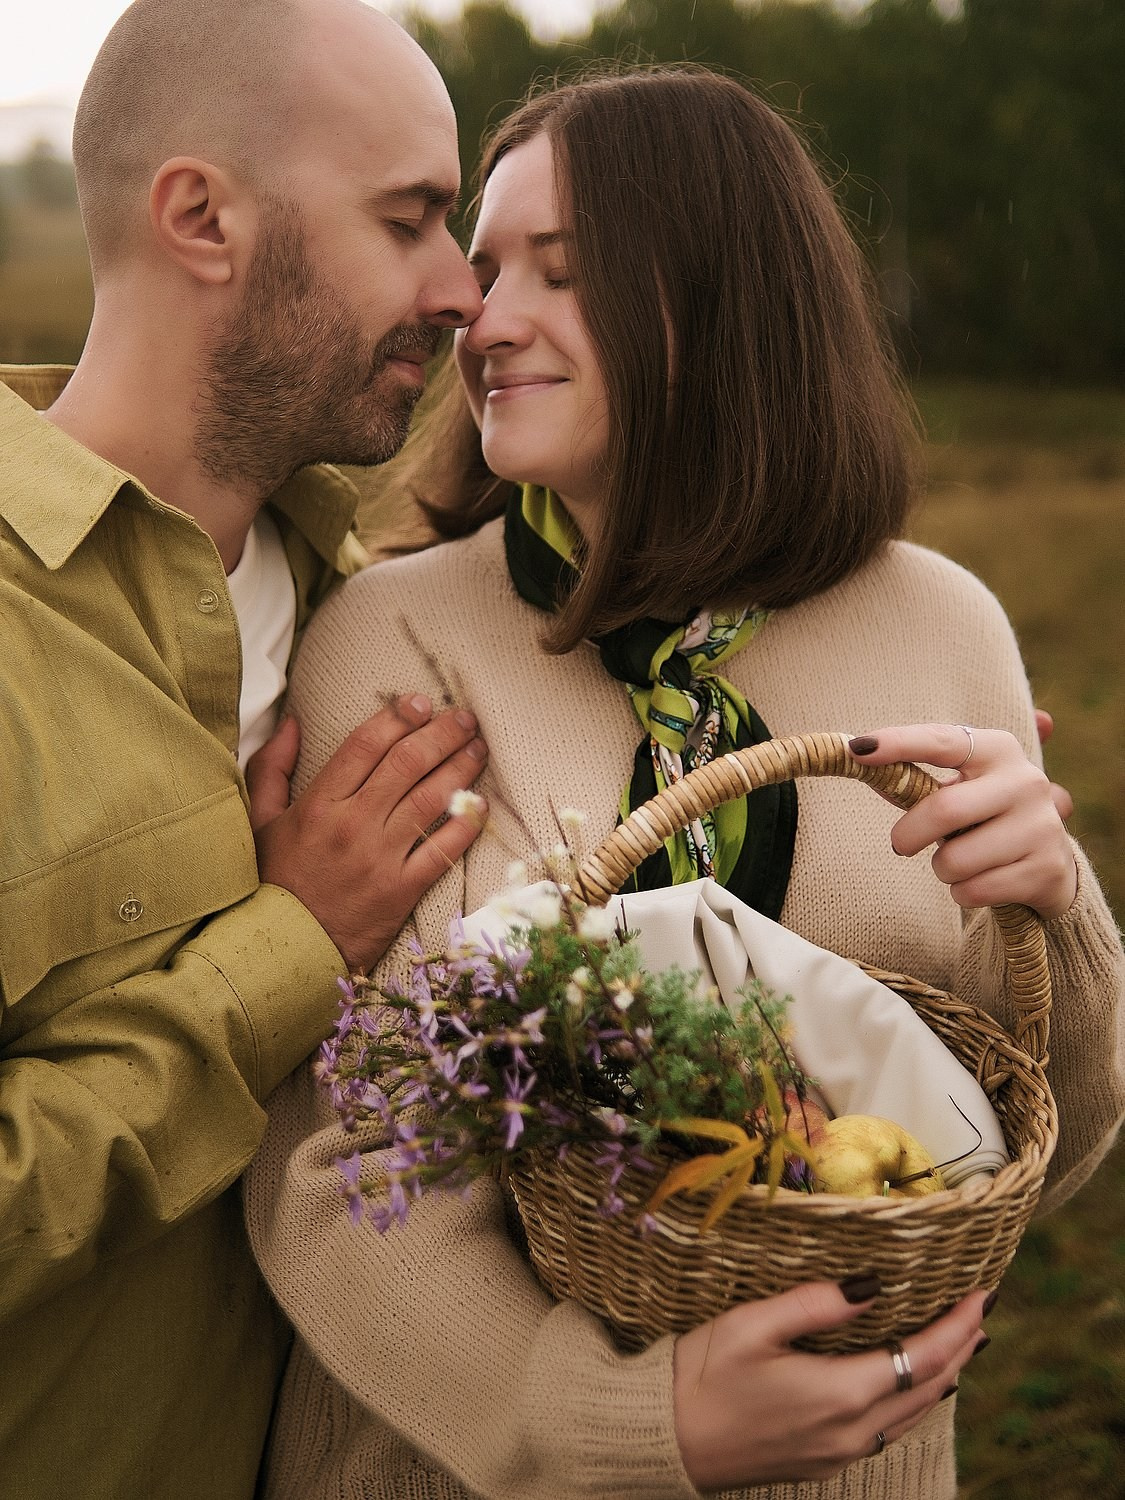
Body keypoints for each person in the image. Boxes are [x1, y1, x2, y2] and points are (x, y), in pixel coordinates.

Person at [245, 69, 1125, 1500]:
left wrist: (1055, 911)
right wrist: (612, 1423)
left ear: (723, 300)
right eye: (482, 269)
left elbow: (1038, 1153)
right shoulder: (396, 643)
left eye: (563, 273)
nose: (485, 318)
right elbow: (337, 1168)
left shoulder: (943, 628)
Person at [0, 2, 491, 1496]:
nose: (461, 288)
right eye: (409, 219)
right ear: (201, 216)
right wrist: (284, 953)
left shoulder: (388, 613)